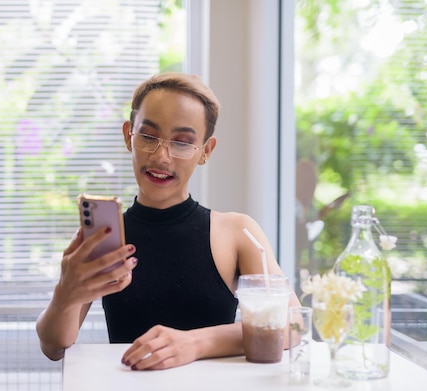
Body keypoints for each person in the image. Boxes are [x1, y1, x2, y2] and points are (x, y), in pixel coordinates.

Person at [36, 72, 301, 370]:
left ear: (206, 151)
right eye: (148, 136)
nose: (161, 157)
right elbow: (53, 346)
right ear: (128, 136)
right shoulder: (103, 237)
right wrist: (65, 294)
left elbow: (291, 325)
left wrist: (195, 343)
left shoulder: (237, 232)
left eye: (183, 142)